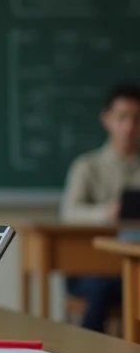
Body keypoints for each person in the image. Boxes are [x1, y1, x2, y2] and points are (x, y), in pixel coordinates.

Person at [59, 82, 140, 332]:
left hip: (135, 265)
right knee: (101, 286)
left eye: (137, 119)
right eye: (122, 117)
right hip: (91, 268)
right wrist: (105, 213)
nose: (129, 127)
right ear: (107, 119)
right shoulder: (86, 166)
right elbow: (68, 212)